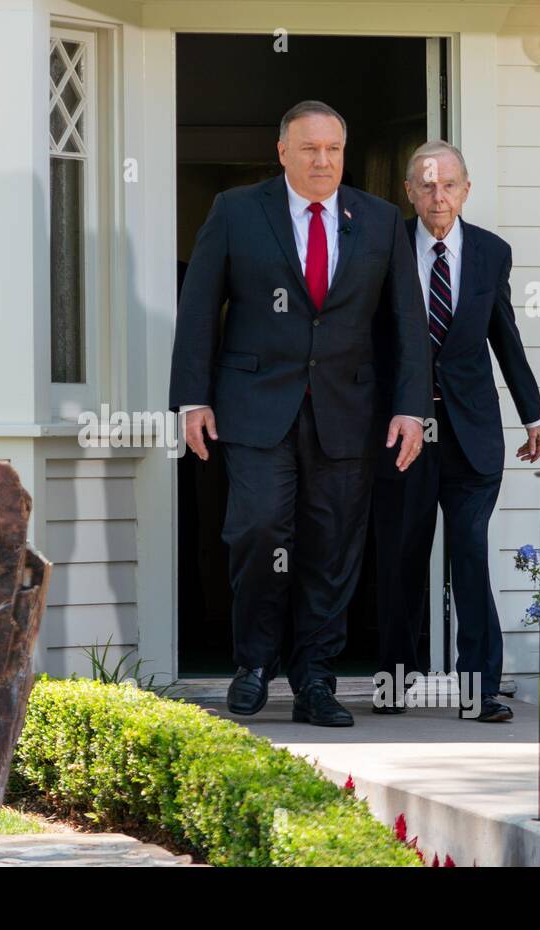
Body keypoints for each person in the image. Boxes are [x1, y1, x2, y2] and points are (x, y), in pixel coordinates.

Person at [168, 101, 430, 727]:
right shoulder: (236, 210)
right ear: (281, 150)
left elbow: (406, 323)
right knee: (257, 532)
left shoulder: (379, 218)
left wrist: (411, 408)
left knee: (333, 546)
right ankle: (254, 663)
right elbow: (201, 307)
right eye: (309, 148)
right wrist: (192, 397)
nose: (322, 160)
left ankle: (315, 678)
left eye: (333, 149)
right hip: (254, 409)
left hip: (348, 411)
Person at [372, 140, 540, 722]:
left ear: (466, 189)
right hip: (407, 430)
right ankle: (397, 682)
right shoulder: (385, 245)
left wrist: (532, 413)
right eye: (425, 185)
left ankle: (479, 691)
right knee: (403, 553)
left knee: (470, 555)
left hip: (473, 432)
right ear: (408, 190)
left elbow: (505, 335)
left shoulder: (492, 253)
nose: (437, 196)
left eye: (448, 184)